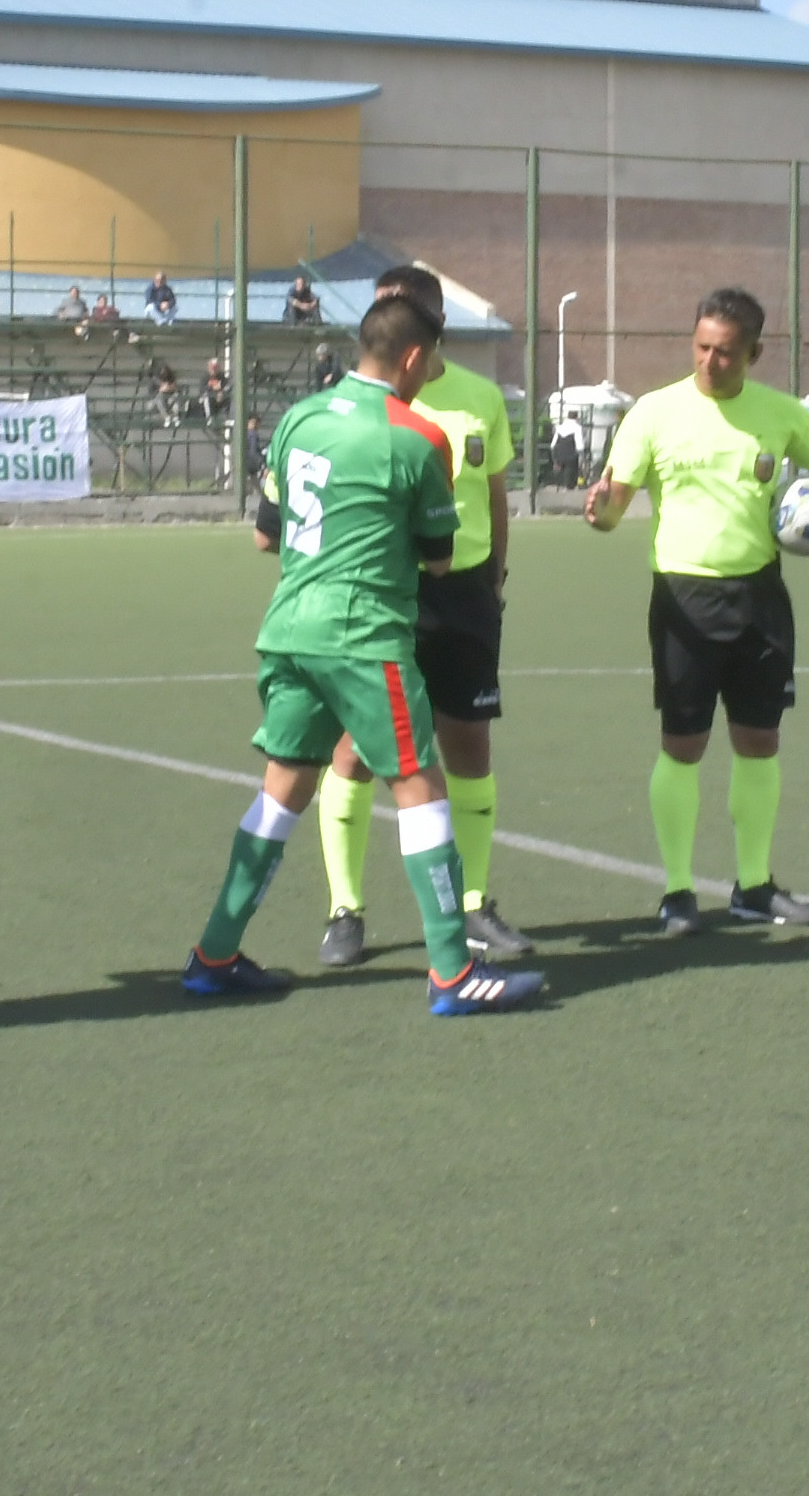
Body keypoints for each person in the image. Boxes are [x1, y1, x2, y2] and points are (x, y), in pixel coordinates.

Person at [178, 294, 547, 1014]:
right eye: (432, 359)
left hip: (288, 626)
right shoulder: (416, 437)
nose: (433, 371)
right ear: (414, 357)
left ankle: (213, 954)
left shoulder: (298, 418)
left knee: (281, 790)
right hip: (363, 635)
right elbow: (440, 559)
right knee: (419, 784)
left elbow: (267, 532)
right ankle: (451, 972)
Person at [585, 287, 809, 933]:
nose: (711, 361)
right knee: (683, 745)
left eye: (727, 353)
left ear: (755, 353)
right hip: (684, 597)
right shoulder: (653, 413)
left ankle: (754, 886)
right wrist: (601, 510)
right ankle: (677, 891)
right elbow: (615, 503)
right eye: (702, 348)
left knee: (760, 741)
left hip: (760, 596)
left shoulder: (782, 414)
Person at [315, 266, 529, 965]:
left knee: (469, 746)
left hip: (463, 595)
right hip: (384, 593)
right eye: (383, 309)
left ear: (435, 325)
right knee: (356, 749)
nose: (391, 323)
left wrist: (494, 580)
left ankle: (472, 905)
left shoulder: (478, 398)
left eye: (405, 311)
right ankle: (344, 909)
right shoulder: (355, 402)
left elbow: (495, 492)